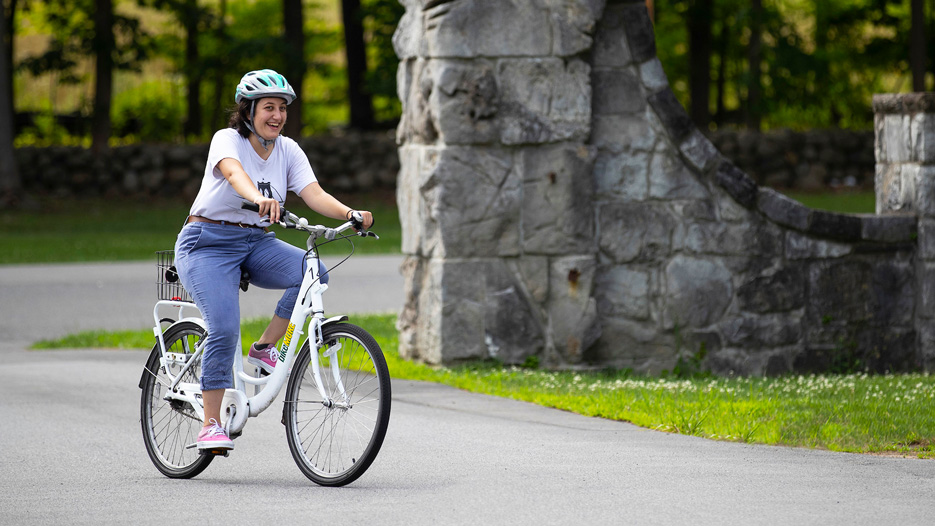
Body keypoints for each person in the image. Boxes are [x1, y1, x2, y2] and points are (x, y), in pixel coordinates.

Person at [173, 69, 373, 451]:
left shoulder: (288, 149)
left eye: (282, 108)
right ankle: (211, 424)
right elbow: (234, 174)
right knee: (225, 327)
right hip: (207, 242)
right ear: (248, 111)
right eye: (269, 107)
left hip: (255, 240)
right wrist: (258, 197)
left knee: (313, 273)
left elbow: (312, 193)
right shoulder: (227, 140)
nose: (277, 115)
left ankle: (266, 346)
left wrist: (350, 213)